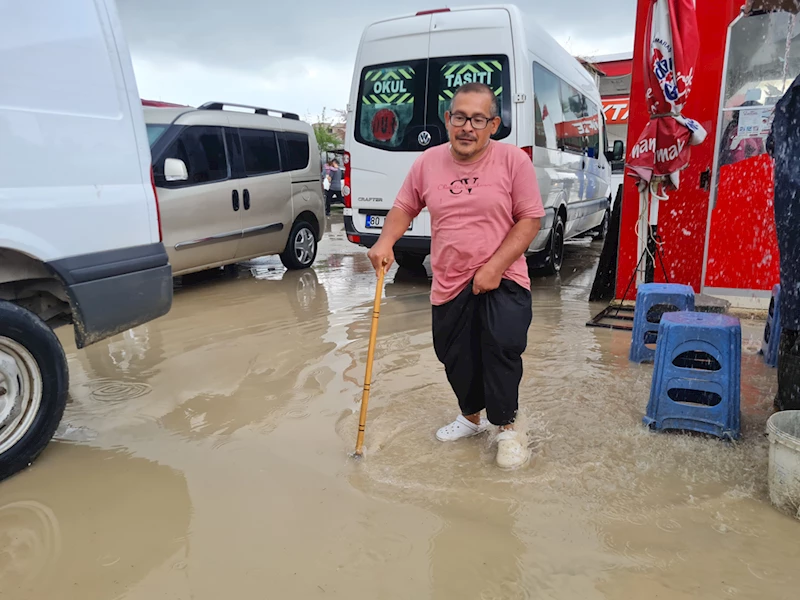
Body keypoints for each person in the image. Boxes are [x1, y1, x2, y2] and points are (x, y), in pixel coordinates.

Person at [367, 82, 545, 470]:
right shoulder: (427, 162)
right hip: (449, 279)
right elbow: (404, 207)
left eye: (478, 119)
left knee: (501, 346)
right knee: (454, 355)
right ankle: (471, 418)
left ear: (493, 125)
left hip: (504, 275)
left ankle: (507, 428)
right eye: (460, 117)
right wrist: (385, 242)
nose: (467, 127)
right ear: (448, 119)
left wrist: (494, 267)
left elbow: (530, 220)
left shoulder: (513, 161)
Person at [767, 74, 800, 411]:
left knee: (793, 305)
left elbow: (772, 144)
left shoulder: (788, 101)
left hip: (790, 217)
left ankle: (788, 403)